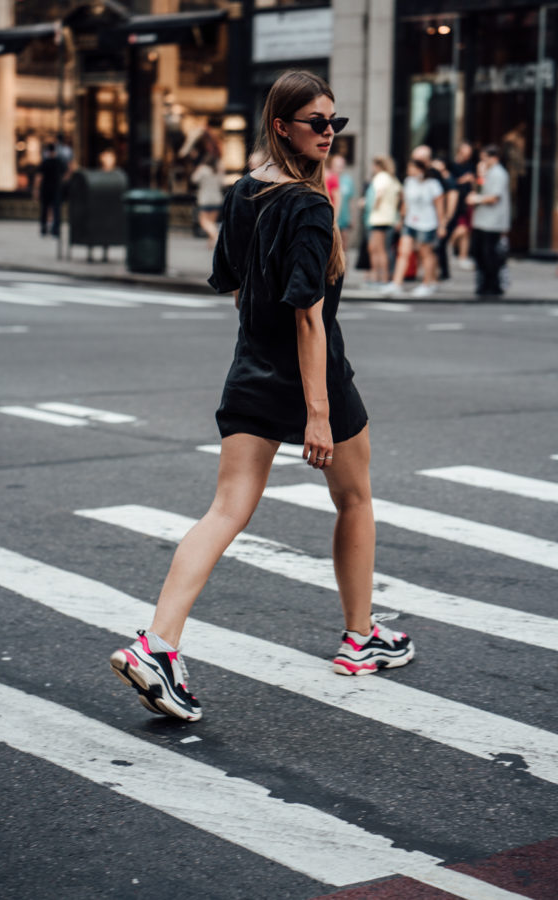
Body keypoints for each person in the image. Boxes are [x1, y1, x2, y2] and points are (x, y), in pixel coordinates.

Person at [109, 69, 415, 722]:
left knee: (224, 512)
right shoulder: (309, 205)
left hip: (252, 369)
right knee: (355, 499)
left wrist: (261, 346)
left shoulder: (246, 191)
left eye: (336, 122)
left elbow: (231, 282)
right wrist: (319, 416)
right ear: (282, 126)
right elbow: (308, 314)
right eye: (317, 123)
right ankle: (360, 639)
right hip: (314, 377)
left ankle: (157, 644)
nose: (330, 133)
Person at [381, 157, 445, 298]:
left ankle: (426, 283)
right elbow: (405, 203)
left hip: (427, 223)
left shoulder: (433, 184)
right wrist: (401, 219)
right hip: (410, 222)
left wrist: (442, 225)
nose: (409, 171)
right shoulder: (409, 182)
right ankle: (396, 283)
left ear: (420, 169)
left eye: (412, 168)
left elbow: (439, 206)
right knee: (403, 252)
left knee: (425, 253)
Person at [466, 144, 510, 297]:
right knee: (479, 253)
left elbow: (494, 197)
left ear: (494, 158)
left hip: (493, 222)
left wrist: (476, 199)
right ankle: (484, 284)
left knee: (489, 254)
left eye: (485, 158)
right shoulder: (486, 173)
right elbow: (479, 189)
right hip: (481, 220)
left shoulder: (499, 173)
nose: (483, 161)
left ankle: (493, 285)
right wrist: (480, 176)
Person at [367, 156, 401, 285]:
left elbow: (379, 194)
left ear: (377, 166)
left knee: (377, 249)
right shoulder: (393, 179)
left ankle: (379, 278)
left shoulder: (380, 177)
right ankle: (384, 277)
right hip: (389, 217)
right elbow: (399, 196)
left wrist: (374, 205)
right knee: (385, 249)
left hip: (378, 218)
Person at [449, 142, 476, 270]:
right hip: (456, 202)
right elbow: (449, 183)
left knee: (466, 232)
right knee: (462, 228)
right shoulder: (452, 166)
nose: (468, 155)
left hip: (468, 202)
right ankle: (448, 247)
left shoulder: (470, 166)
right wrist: (463, 179)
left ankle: (462, 257)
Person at [431, 156, 459, 280]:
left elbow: (452, 200)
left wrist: (446, 219)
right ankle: (438, 271)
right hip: (441, 218)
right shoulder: (440, 180)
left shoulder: (449, 180)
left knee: (441, 246)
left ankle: (444, 272)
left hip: (447, 218)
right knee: (438, 246)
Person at [191, 154, 224, 248]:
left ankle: (216, 236)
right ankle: (211, 243)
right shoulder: (218, 170)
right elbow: (222, 183)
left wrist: (198, 169)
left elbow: (193, 179)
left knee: (203, 222)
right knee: (211, 222)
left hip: (205, 199)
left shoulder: (202, 169)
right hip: (217, 199)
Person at [34, 142, 66, 237]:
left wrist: (36, 189)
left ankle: (44, 228)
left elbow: (39, 177)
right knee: (56, 210)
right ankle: (55, 229)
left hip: (46, 189)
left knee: (45, 209)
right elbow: (66, 173)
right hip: (56, 189)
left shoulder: (45, 162)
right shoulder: (59, 162)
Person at [330, 154, 355, 250]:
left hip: (344, 217)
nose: (339, 168)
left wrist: (352, 218)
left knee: (344, 243)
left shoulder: (347, 180)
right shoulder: (328, 178)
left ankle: (343, 263)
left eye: (341, 165)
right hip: (331, 216)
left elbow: (351, 200)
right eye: (337, 165)